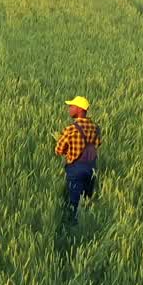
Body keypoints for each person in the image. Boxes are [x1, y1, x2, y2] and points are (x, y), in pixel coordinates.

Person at [53, 96, 101, 224]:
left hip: (76, 168)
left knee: (74, 201)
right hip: (91, 168)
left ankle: (73, 227)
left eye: (72, 106)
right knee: (86, 199)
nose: (69, 109)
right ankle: (88, 224)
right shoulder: (95, 128)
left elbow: (58, 150)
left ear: (79, 109)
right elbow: (97, 143)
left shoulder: (71, 129)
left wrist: (68, 151)